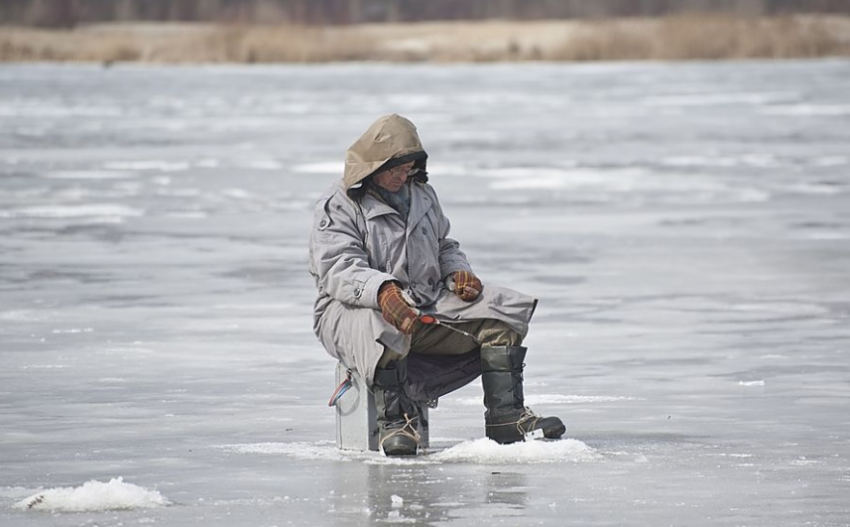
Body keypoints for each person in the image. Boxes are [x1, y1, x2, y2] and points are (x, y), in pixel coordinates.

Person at [309, 114, 564, 456]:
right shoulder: (340, 204)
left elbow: (444, 246)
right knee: (383, 320)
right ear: (373, 165)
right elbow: (337, 268)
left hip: (425, 303)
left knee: (501, 310)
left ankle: (507, 417)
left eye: (408, 168)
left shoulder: (423, 195)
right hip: (350, 312)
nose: (403, 176)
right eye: (395, 169)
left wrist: (458, 273)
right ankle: (396, 423)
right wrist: (383, 291)